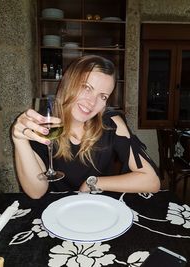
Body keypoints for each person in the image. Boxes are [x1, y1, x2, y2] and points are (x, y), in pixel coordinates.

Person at [12, 55, 160, 199]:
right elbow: (36, 192)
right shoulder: (43, 123)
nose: (92, 102)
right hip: (55, 212)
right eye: (87, 88)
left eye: (103, 96)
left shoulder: (111, 123)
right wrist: (19, 139)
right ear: (68, 83)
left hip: (97, 209)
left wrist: (93, 182)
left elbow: (151, 181)